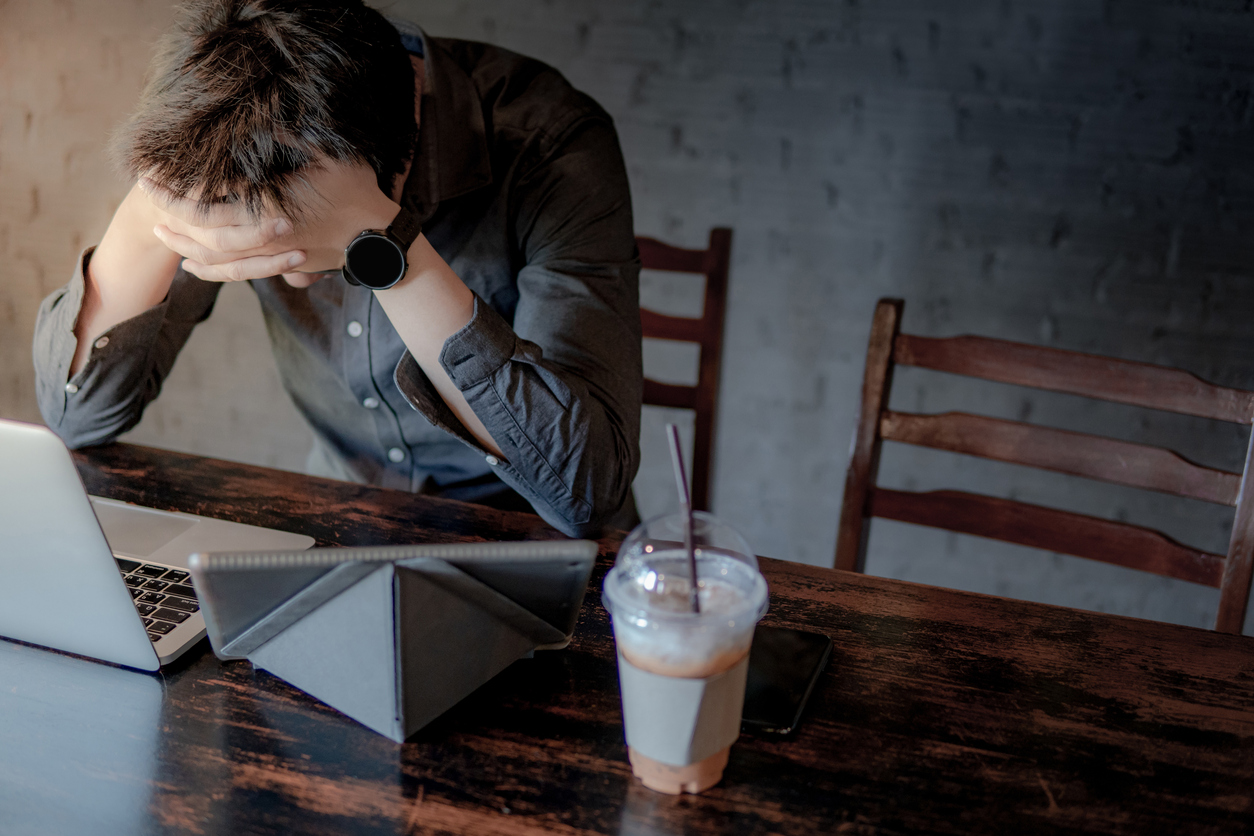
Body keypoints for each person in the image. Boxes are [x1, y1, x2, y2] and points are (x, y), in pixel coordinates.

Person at [32, 0, 642, 538]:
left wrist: (381, 245)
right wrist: (152, 208)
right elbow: (75, 419)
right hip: (341, 521)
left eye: (303, 248)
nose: (291, 276)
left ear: (393, 169)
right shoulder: (236, 125)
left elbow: (582, 496)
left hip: (531, 540)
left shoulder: (552, 141)